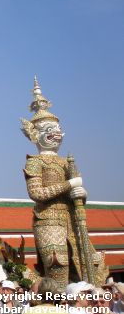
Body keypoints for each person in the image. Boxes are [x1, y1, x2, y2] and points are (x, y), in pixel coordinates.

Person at [20, 77, 106, 290]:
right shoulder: (34, 161)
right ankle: (57, 310)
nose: (56, 133)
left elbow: (75, 194)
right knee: (58, 266)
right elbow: (36, 193)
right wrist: (69, 185)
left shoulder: (66, 162)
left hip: (71, 217)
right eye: (49, 128)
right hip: (48, 219)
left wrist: (80, 193)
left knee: (85, 266)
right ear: (35, 134)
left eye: (57, 128)